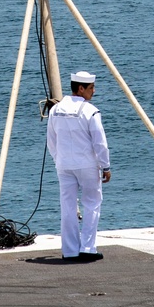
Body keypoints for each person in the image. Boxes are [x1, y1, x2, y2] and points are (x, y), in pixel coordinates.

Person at [46, 70, 111, 263]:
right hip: (87, 165)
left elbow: (51, 141)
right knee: (91, 204)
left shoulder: (55, 110)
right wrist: (105, 166)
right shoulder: (91, 111)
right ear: (81, 89)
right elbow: (100, 143)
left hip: (63, 165)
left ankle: (70, 250)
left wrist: (58, 160)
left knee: (67, 207)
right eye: (91, 88)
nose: (94, 91)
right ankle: (88, 248)